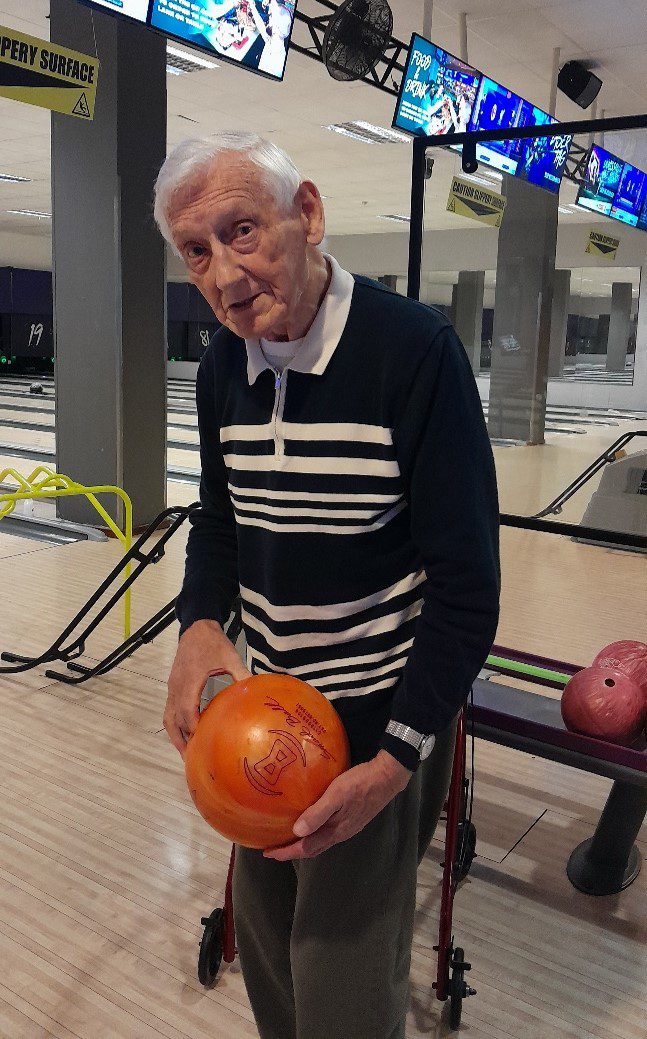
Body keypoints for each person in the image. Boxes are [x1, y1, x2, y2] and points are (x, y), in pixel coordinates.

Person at [154, 132, 500, 1039]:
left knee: (340, 984)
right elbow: (220, 522)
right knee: (270, 956)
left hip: (378, 717)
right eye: (196, 250)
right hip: (264, 717)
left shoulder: (412, 353)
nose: (225, 274)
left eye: (241, 230)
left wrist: (390, 763)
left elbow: (467, 591)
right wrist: (198, 624)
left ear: (305, 213)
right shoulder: (223, 365)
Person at [249, 0, 292, 78]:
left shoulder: (277, 66)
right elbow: (261, 25)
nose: (269, 19)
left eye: (271, 17)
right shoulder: (272, 40)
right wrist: (252, 6)